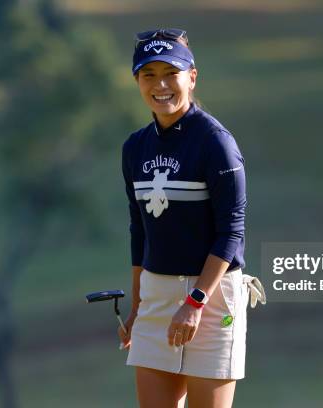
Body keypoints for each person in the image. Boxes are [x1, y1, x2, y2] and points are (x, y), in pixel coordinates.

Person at [117, 28, 265, 408]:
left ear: (192, 76)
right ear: (137, 80)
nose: (160, 85)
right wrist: (137, 306)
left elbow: (231, 233)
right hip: (156, 296)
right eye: (148, 75)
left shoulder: (215, 142)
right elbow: (140, 230)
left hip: (212, 299)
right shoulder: (135, 147)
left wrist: (195, 302)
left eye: (171, 73)